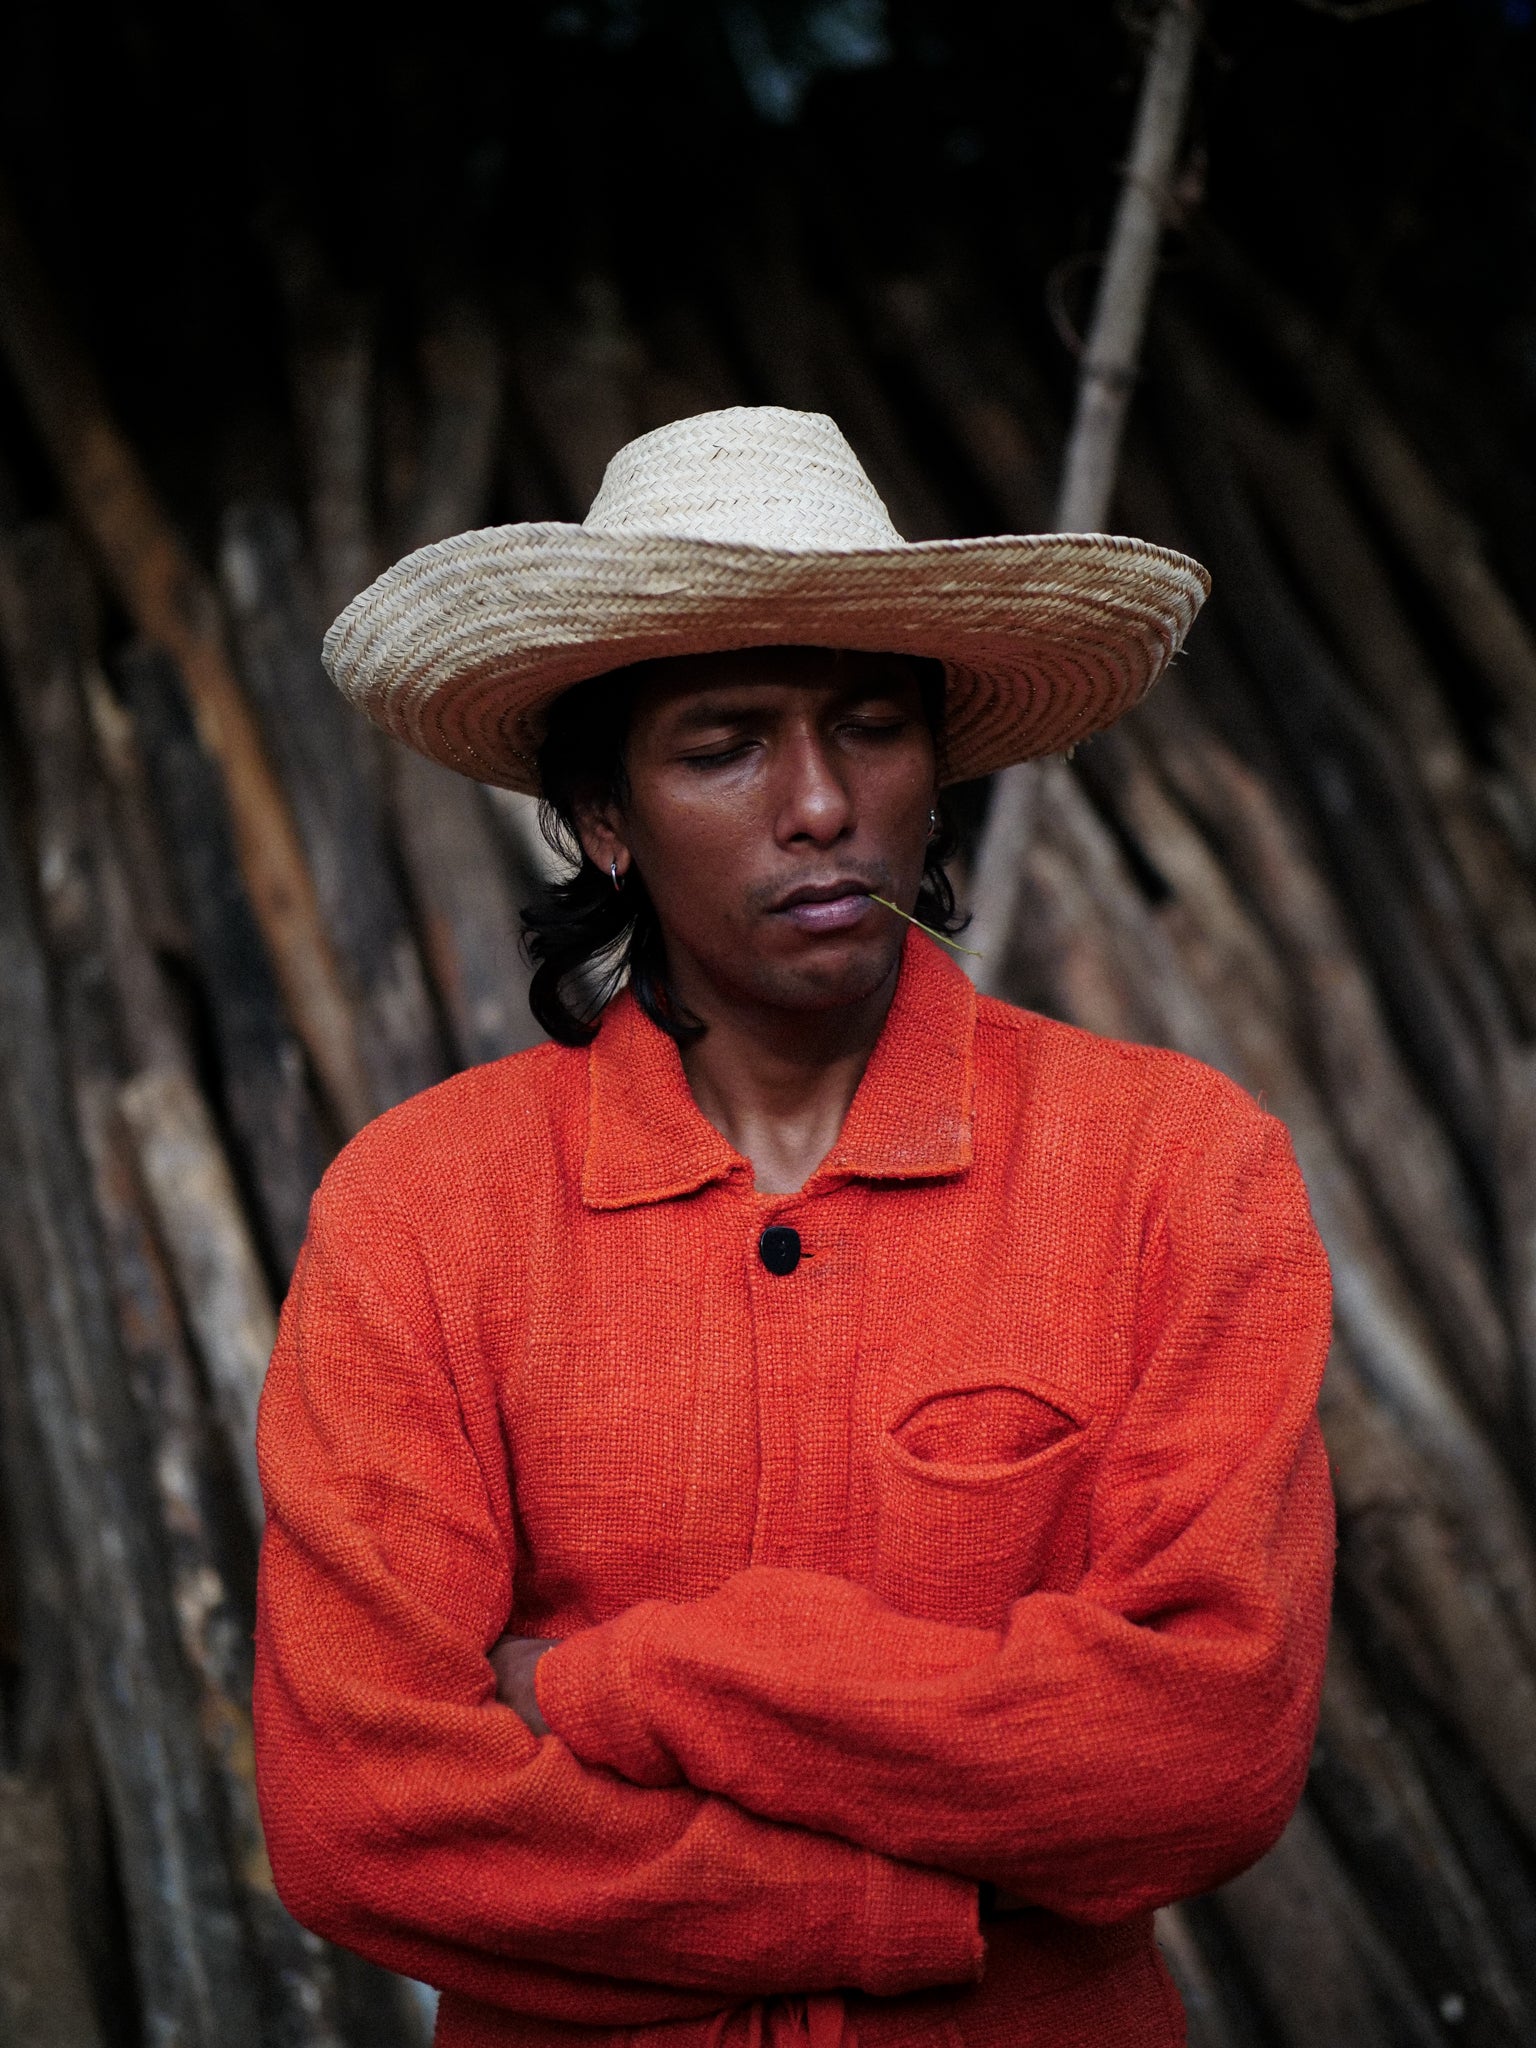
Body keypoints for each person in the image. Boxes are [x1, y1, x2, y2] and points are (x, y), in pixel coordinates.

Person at [254, 407, 1334, 2048]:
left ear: (938, 772)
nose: (821, 801)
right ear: (604, 820)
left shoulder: (1172, 1169)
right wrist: (901, 1902)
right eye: (723, 744)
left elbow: (1203, 1753)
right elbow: (364, 1809)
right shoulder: (423, 1209)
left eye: (872, 727)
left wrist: (611, 1687)